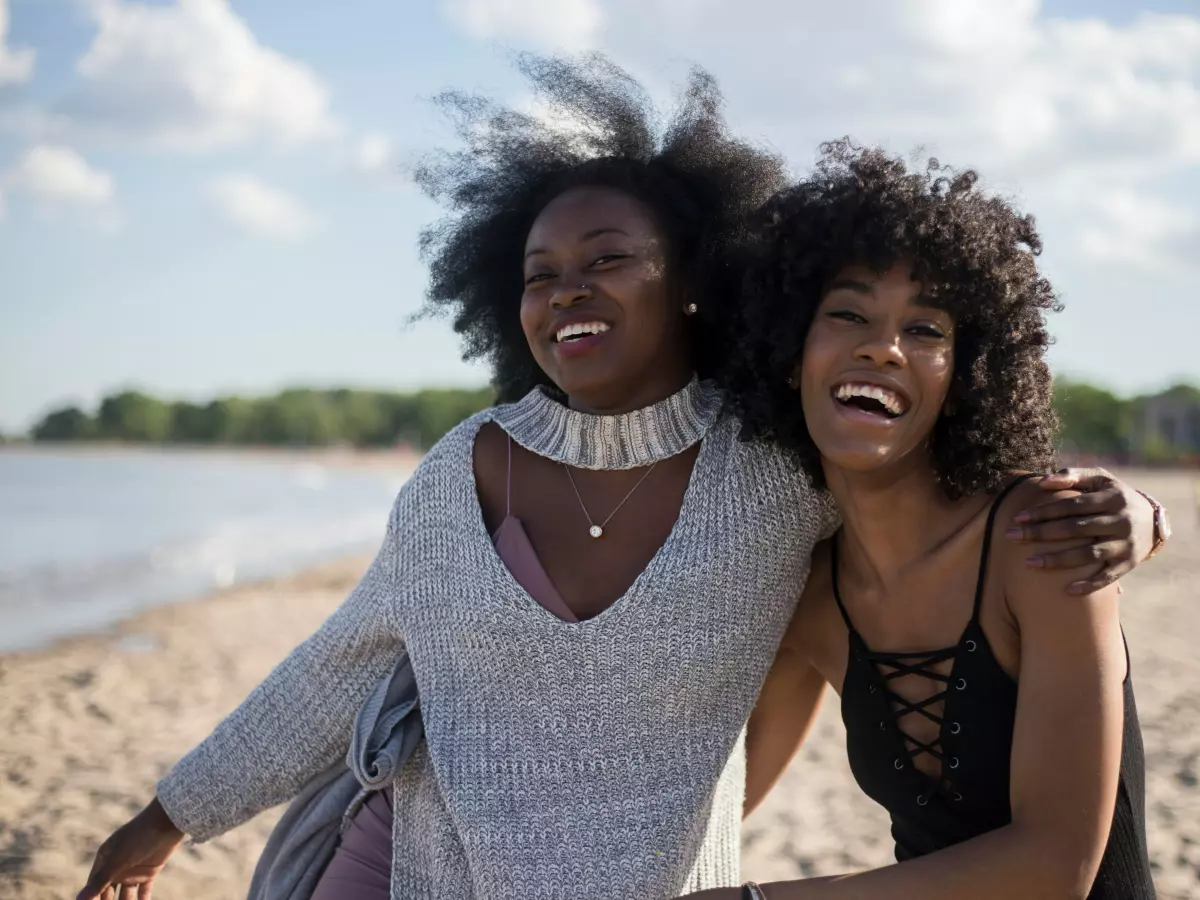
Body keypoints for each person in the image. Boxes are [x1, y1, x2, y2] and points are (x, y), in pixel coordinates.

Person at [79, 60, 1163, 900]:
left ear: (694, 285)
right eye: (539, 274)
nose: (568, 292)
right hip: (413, 868)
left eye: (608, 259)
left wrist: (1141, 513)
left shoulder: (779, 480)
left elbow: (935, 497)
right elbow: (337, 667)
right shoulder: (462, 473)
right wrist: (164, 818)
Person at [687, 142, 1159, 899]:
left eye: (928, 330)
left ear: (967, 375)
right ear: (786, 351)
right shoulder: (808, 595)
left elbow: (1055, 865)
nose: (883, 347)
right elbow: (711, 807)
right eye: (848, 314)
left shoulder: (1041, 540)